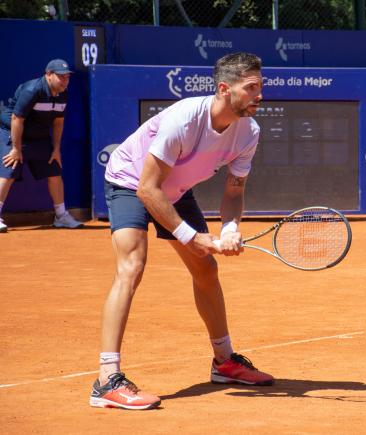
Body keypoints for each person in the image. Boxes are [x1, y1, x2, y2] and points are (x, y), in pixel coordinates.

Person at [89, 52, 274, 410]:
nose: (259, 95)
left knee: (206, 268)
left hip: (173, 189)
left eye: (260, 87)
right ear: (224, 88)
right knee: (132, 266)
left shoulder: (249, 132)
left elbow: (234, 191)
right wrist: (193, 237)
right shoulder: (184, 119)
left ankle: (224, 362)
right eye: (251, 88)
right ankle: (106, 380)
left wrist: (231, 228)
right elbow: (147, 189)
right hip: (131, 181)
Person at [0, 59, 83, 232]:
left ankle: (61, 216)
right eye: (61, 77)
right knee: (8, 171)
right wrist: (16, 148)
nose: (64, 81)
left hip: (39, 136)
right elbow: (17, 119)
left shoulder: (63, 92)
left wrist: (56, 149)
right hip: (14, 132)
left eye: (67, 77)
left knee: (54, 170)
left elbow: (59, 121)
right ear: (48, 75)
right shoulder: (33, 90)